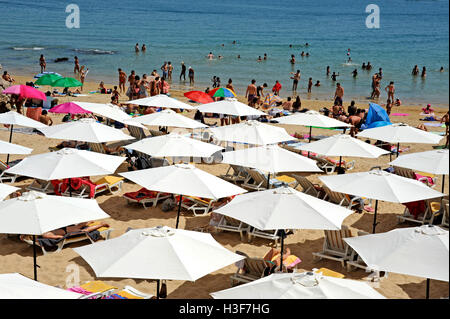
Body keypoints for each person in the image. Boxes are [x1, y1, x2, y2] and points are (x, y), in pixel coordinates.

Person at [41, 221, 110, 240]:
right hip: (66, 229)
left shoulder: (45, 234)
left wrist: (65, 237)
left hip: (67, 232)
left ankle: (101, 225)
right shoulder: (44, 229)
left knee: (84, 230)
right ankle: (89, 222)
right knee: (80, 227)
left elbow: (59, 237)